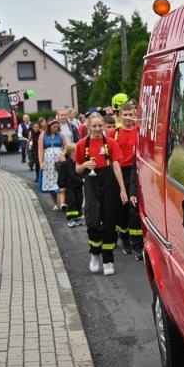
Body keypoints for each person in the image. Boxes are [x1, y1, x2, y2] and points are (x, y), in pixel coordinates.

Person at [75, 111, 119, 275]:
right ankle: (94, 254)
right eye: (94, 126)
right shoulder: (81, 145)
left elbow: (116, 166)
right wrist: (85, 165)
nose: (97, 128)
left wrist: (122, 188)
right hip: (91, 185)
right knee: (93, 221)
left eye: (100, 125)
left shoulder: (111, 143)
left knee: (108, 222)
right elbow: (78, 169)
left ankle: (108, 260)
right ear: (88, 126)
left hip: (108, 183)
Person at [109, 100, 142, 255]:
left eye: (131, 115)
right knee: (122, 207)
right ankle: (124, 237)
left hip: (136, 172)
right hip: (119, 172)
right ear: (120, 116)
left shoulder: (140, 131)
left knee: (134, 207)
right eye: (125, 115)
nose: (128, 118)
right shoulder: (113, 133)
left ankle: (137, 243)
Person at [38, 114, 63, 204]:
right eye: (54, 126)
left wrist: (62, 154)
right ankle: (55, 203)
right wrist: (41, 162)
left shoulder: (60, 135)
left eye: (57, 126)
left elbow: (66, 146)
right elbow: (40, 150)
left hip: (58, 162)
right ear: (49, 126)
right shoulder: (42, 136)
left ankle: (62, 202)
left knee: (60, 180)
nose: (56, 128)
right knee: (51, 181)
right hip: (48, 162)